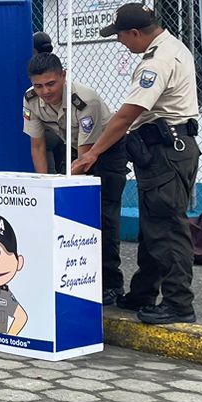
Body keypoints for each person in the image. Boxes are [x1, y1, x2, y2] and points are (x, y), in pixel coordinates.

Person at [72, 3, 201, 326]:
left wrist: (92, 153)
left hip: (165, 150)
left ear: (134, 33)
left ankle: (178, 303)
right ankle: (143, 293)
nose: (120, 42)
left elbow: (127, 114)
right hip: (169, 148)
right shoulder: (174, 47)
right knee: (153, 225)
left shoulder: (157, 62)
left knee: (167, 228)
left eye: (120, 36)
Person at [23, 32, 128, 306]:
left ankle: (110, 284)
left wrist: (62, 189)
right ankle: (75, 278)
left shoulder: (84, 100)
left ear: (64, 76)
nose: (45, 91)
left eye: (51, 84)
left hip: (104, 154)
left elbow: (86, 156)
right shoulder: (30, 99)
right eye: (38, 85)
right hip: (75, 152)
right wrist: (44, 187)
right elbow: (37, 146)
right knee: (69, 219)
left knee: (102, 218)